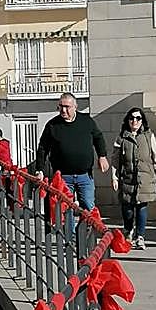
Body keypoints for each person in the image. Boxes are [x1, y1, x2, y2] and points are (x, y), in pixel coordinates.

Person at [35, 92, 108, 233]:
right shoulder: (52, 125)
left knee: (88, 206)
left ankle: (86, 235)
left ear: (75, 107)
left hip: (84, 175)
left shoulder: (86, 121)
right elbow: (43, 148)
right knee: (65, 208)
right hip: (63, 176)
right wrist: (40, 169)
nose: (63, 110)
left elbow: (98, 138)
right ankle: (70, 237)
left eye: (67, 107)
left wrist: (102, 156)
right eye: (60, 106)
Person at [111, 107, 156, 250]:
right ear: (127, 120)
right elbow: (115, 160)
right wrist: (114, 177)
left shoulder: (148, 136)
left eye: (138, 118)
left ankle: (140, 236)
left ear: (142, 120)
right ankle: (128, 230)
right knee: (127, 209)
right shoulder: (121, 137)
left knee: (141, 207)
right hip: (127, 178)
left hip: (145, 178)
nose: (135, 121)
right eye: (132, 118)